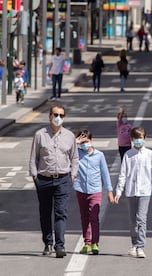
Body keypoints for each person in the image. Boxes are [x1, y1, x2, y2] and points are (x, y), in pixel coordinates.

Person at [29, 104, 79, 258]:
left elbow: (75, 157)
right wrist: (35, 176)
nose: (58, 118)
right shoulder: (40, 135)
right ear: (49, 116)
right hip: (43, 179)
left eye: (61, 115)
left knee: (61, 213)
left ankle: (60, 245)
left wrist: (73, 174)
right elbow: (33, 158)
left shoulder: (69, 136)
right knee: (45, 212)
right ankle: (48, 243)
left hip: (63, 180)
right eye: (55, 114)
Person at [114, 127, 152, 258]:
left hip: (145, 191)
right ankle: (134, 244)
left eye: (141, 139)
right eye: (136, 139)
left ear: (145, 139)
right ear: (131, 140)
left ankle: (141, 246)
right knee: (132, 221)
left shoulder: (150, 154)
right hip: (131, 191)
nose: (138, 141)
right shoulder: (128, 155)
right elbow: (123, 174)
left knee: (142, 219)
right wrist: (118, 192)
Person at [74, 129, 114, 255]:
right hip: (80, 189)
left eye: (86, 141)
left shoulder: (99, 155)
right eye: (82, 142)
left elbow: (105, 173)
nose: (84, 144)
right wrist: (75, 143)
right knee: (84, 217)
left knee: (94, 217)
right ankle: (87, 243)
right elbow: (65, 151)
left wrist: (109, 190)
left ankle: (95, 243)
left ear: (91, 141)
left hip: (95, 190)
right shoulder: (76, 153)